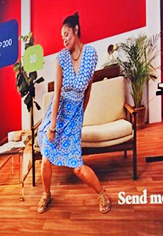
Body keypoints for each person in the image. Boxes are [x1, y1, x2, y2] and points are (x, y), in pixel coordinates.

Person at [36, 12, 111, 214]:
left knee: (77, 167)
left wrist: (82, 113)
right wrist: (52, 126)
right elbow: (57, 93)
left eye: (66, 34)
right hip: (58, 113)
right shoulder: (61, 57)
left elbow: (89, 87)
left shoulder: (91, 55)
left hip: (75, 115)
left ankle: (102, 193)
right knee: (45, 158)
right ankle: (47, 194)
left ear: (76, 30)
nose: (64, 39)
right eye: (62, 36)